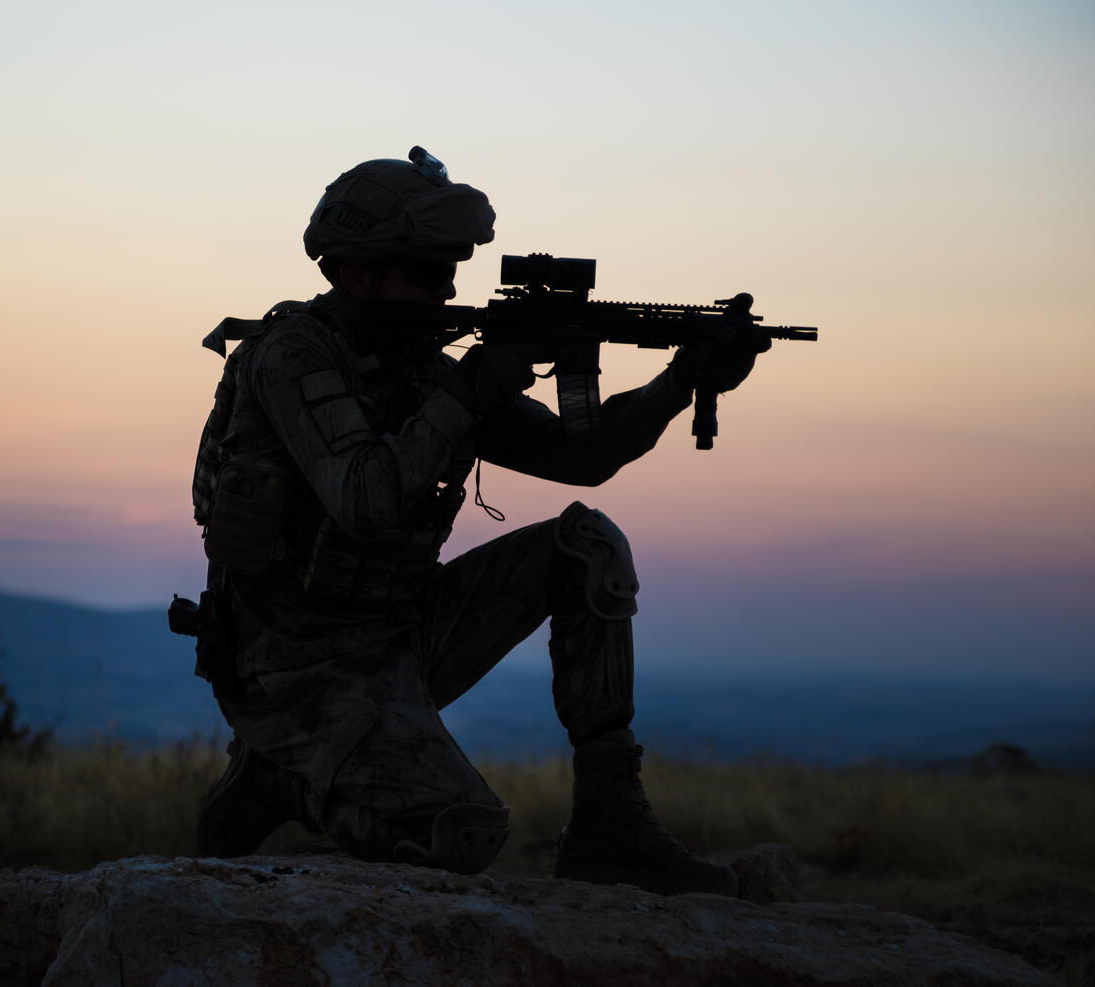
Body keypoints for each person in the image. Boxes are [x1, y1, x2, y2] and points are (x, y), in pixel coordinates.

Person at [189, 147, 766, 895]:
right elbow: (363, 498)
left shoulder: (426, 370)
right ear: (356, 272)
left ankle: (610, 824)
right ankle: (282, 779)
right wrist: (476, 383)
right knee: (457, 832)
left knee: (585, 546)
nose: (448, 292)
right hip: (294, 665)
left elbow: (582, 456)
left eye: (453, 271)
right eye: (427, 273)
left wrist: (682, 379)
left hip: (399, 634)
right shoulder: (292, 358)